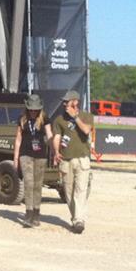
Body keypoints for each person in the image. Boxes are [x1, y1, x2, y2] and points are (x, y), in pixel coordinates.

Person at [51, 92, 97, 234]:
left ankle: (79, 220)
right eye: (64, 102)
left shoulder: (86, 116)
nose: (64, 104)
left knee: (80, 190)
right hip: (65, 160)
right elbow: (57, 137)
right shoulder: (59, 119)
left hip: (82, 159)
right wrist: (56, 152)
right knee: (69, 192)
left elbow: (86, 130)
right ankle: (75, 217)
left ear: (75, 102)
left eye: (67, 102)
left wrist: (75, 117)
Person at [14, 94, 53, 228]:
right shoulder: (22, 119)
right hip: (25, 155)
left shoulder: (45, 119)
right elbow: (18, 140)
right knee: (28, 183)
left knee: (37, 184)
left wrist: (55, 150)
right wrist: (15, 159)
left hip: (40, 155)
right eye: (31, 109)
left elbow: (49, 136)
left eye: (35, 110)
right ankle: (28, 213)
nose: (33, 112)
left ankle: (36, 213)